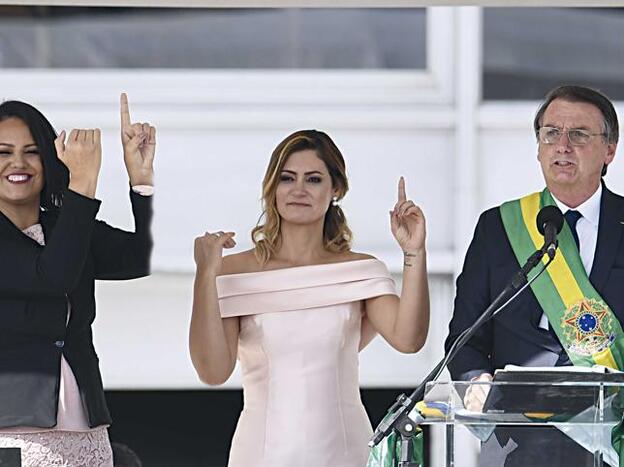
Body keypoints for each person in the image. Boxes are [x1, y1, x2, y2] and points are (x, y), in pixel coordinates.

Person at [189, 129, 430, 467]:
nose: (299, 189)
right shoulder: (234, 271)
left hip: (347, 454)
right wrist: (205, 274)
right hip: (260, 455)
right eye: (287, 179)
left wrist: (414, 251)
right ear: (272, 188)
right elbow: (212, 372)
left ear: (336, 189)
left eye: (313, 179)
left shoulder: (360, 272)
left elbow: (410, 339)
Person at [445, 85, 622, 466]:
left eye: (578, 134)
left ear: (610, 149)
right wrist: (476, 381)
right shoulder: (500, 226)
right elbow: (466, 336)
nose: (562, 145)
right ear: (538, 147)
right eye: (551, 134)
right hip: (516, 439)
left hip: (613, 435)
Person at [0, 94, 154, 467]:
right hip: (13, 432)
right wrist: (82, 185)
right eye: (3, 152)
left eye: (32, 151)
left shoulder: (67, 226)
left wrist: (141, 183)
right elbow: (52, 278)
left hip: (87, 430)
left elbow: (142, 257)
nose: (18, 163)